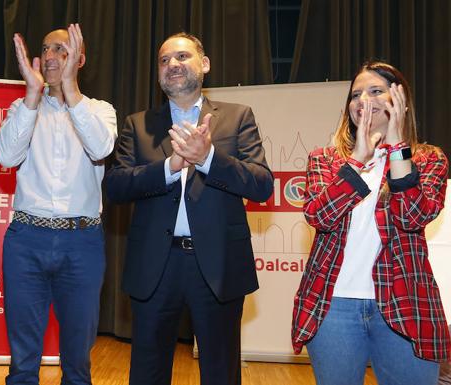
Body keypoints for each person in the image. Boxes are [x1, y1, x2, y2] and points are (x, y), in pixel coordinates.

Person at [105, 32, 274, 385]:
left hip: (218, 264)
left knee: (220, 372)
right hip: (156, 263)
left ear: (205, 64)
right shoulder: (138, 124)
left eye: (182, 57)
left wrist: (208, 158)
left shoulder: (237, 117)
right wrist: (170, 167)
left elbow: (260, 184)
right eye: (164, 61)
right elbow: (115, 186)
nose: (172, 65)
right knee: (147, 373)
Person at [291, 61, 450, 385]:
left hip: (405, 304)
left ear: (399, 98)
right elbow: (319, 215)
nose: (364, 100)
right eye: (356, 94)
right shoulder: (325, 159)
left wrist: (397, 148)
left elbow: (412, 216)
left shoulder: (428, 158)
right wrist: (357, 160)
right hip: (333, 308)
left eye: (376, 91)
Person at [0, 24, 117, 385]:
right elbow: (6, 156)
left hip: (82, 242)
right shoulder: (22, 106)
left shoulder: (100, 110)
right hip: (26, 239)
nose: (49, 56)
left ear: (80, 59)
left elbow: (100, 148)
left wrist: (71, 89)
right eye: (45, 48)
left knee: (77, 360)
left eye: (61, 49)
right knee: (23, 358)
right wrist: (32, 95)